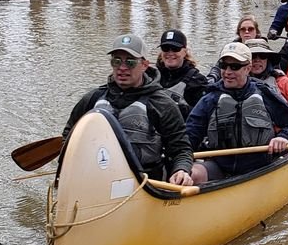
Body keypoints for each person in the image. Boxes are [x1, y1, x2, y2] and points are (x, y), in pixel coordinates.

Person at [61, 34, 194, 187]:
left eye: (130, 62)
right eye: (116, 61)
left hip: (145, 184)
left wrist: (181, 170)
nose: (122, 68)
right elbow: (69, 135)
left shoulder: (162, 104)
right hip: (97, 180)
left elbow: (181, 149)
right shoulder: (92, 99)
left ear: (144, 64)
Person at [186, 40, 288, 184]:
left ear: (247, 68)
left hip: (259, 165)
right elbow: (189, 136)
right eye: (224, 66)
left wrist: (284, 137)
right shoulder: (210, 99)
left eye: (235, 67)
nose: (228, 72)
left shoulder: (263, 94)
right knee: (193, 174)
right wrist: (181, 166)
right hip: (221, 164)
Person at [247, 38, 288, 122]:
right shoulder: (236, 83)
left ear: (268, 59)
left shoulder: (283, 82)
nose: (257, 60)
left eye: (262, 56)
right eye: (253, 56)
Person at [154, 28, 206, 115]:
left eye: (175, 49)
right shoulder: (151, 76)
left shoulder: (197, 81)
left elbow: (204, 116)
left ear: (185, 52)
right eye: (165, 48)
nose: (170, 53)